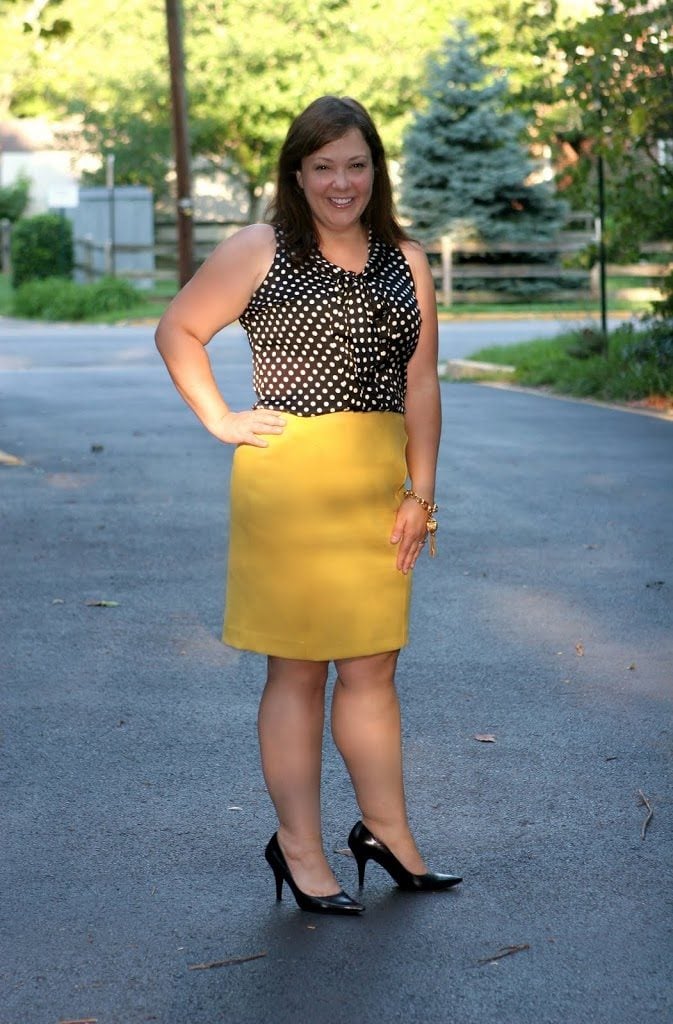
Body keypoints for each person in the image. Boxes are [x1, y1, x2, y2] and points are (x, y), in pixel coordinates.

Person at [155, 95, 462, 915]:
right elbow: (178, 330)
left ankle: (386, 831)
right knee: (297, 670)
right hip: (289, 488)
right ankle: (297, 847)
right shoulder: (261, 248)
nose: (340, 181)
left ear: (375, 170)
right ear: (297, 172)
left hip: (377, 486)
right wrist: (220, 418)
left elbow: (420, 382)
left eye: (354, 164)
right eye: (322, 165)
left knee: (373, 666)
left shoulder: (406, 258)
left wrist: (418, 491)